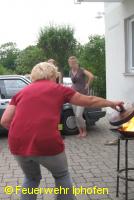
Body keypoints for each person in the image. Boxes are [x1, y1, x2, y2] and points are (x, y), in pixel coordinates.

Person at [1, 62, 123, 200]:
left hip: (17, 143)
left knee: (31, 178)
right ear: (53, 75)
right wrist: (112, 103)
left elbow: (5, 121)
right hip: (46, 141)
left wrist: (22, 135)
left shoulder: (20, 93)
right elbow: (89, 101)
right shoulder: (59, 89)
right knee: (61, 175)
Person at [68, 56, 94, 138]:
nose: (72, 64)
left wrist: (87, 85)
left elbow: (91, 76)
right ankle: (80, 132)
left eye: (73, 62)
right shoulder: (70, 72)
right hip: (73, 95)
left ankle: (85, 131)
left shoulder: (81, 70)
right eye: (70, 62)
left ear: (76, 62)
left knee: (79, 115)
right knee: (76, 115)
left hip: (82, 95)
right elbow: (74, 83)